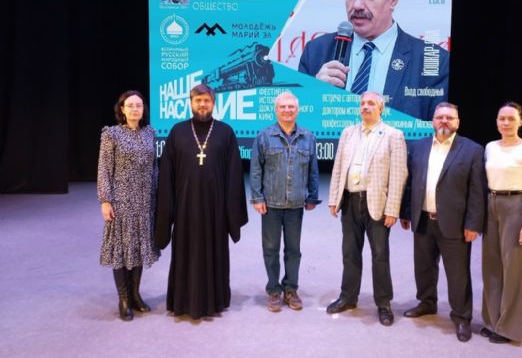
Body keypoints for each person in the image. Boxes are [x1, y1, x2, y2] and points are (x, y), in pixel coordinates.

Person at [298, 0, 449, 121]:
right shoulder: (316, 52)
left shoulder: (432, 60)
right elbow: (297, 126)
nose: (357, 5)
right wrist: (315, 96)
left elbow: (441, 130)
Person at [155, 84, 248, 320]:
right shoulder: (177, 131)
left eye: (206, 100)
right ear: (191, 103)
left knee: (215, 252)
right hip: (185, 208)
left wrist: (231, 213)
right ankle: (183, 301)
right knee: (185, 252)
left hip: (215, 209)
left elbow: (234, 175)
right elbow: (166, 175)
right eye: (198, 101)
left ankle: (215, 301)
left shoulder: (226, 132)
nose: (202, 105)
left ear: (213, 103)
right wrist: (167, 211)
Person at [400, 102, 486, 342]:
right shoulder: (418, 146)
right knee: (424, 267)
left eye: (449, 117)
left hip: (455, 224)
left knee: (458, 274)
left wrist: (473, 224)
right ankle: (427, 303)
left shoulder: (472, 150)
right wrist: (406, 212)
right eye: (440, 117)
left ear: (458, 122)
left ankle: (462, 316)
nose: (444, 121)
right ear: (433, 121)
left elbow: (477, 191)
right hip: (423, 219)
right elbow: (411, 183)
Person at [327, 91, 408, 326]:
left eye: (371, 103)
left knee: (380, 255)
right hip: (350, 201)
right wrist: (334, 198)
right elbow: (338, 167)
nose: (365, 106)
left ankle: (383, 303)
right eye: (362, 103)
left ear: (381, 108)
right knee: (350, 253)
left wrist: (393, 209)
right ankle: (348, 297)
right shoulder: (348, 133)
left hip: (378, 204)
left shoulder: (393, 135)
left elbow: (399, 174)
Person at [250, 91, 321, 312]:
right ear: (276, 110)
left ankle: (291, 289)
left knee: (293, 250)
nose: (287, 110)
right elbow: (256, 170)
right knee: (270, 249)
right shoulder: (264, 137)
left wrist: (312, 196)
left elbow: (313, 170)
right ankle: (273, 290)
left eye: (291, 107)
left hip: (295, 206)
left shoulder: (308, 137)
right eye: (283, 107)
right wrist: (257, 197)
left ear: (297, 110)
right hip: (270, 205)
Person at [97, 90, 160, 321]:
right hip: (121, 202)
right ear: (122, 109)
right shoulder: (111, 134)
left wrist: (157, 194)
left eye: (139, 105)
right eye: (130, 105)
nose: (135, 109)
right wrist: (105, 200)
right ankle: (123, 299)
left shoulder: (150, 133)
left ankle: (135, 295)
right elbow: (104, 169)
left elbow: (154, 167)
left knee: (139, 248)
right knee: (122, 251)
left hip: (145, 201)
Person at [480, 101, 522, 344]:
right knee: (491, 266)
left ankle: (508, 328)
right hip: (490, 204)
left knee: (513, 268)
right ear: (496, 121)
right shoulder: (490, 147)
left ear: (520, 122)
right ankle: (491, 320)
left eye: (511, 119)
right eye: (502, 118)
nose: (506, 123)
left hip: (515, 206)